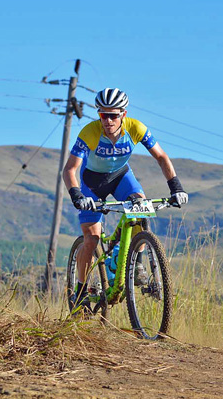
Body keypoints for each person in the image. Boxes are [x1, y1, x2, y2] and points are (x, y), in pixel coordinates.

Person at [63, 87, 188, 308]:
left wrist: (176, 187)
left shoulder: (136, 128)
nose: (108, 120)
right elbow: (70, 170)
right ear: (98, 114)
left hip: (121, 176)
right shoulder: (89, 133)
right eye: (103, 115)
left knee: (142, 207)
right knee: (91, 239)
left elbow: (161, 156)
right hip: (92, 183)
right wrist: (77, 195)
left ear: (124, 114)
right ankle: (81, 291)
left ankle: (136, 262)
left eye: (114, 115)